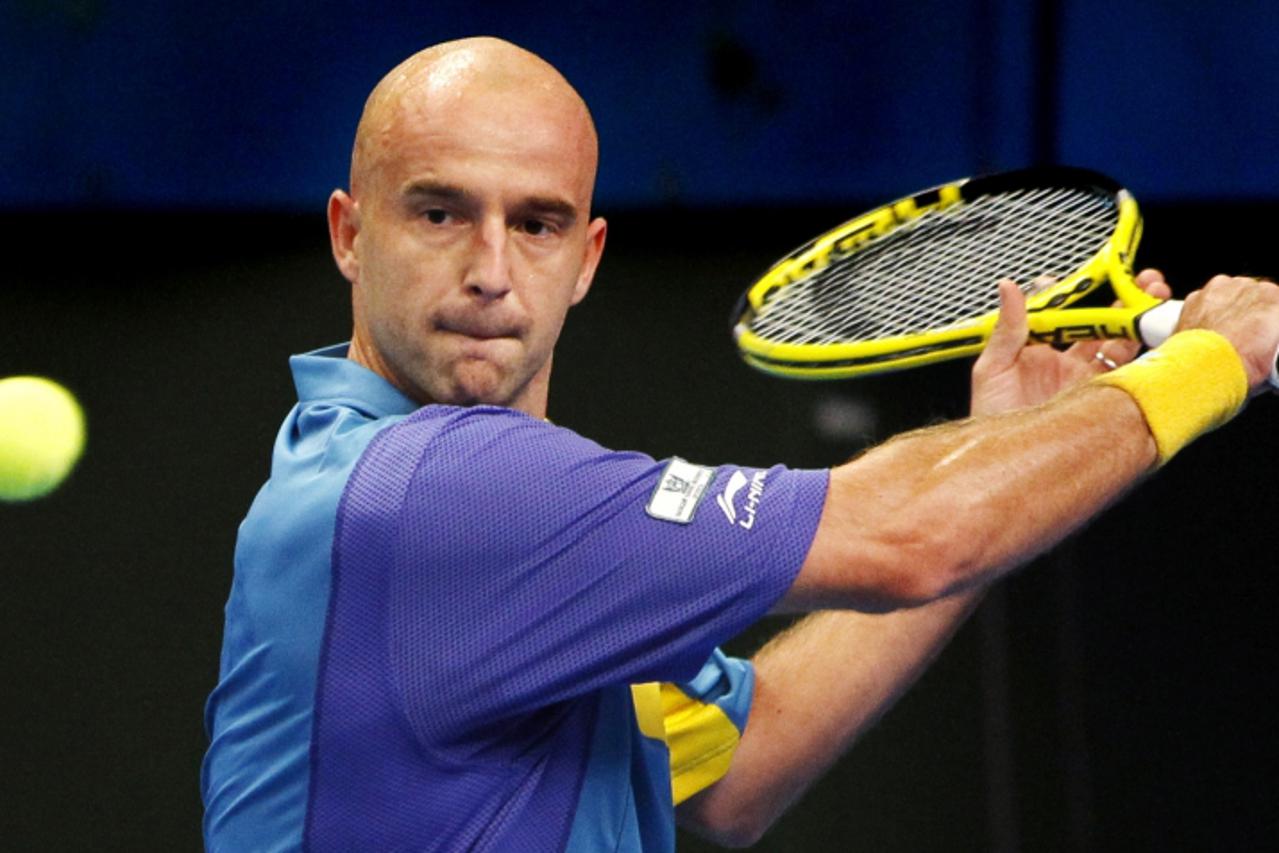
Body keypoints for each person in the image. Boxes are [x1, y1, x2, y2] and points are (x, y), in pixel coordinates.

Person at [200, 36, 1279, 852]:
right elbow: (910, 535)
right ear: (350, 233)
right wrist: (1204, 363)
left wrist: (1006, 441)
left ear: (586, 255)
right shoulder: (431, 493)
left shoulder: (503, 552)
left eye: (535, 222)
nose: (490, 269)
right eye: (439, 213)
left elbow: (739, 762)